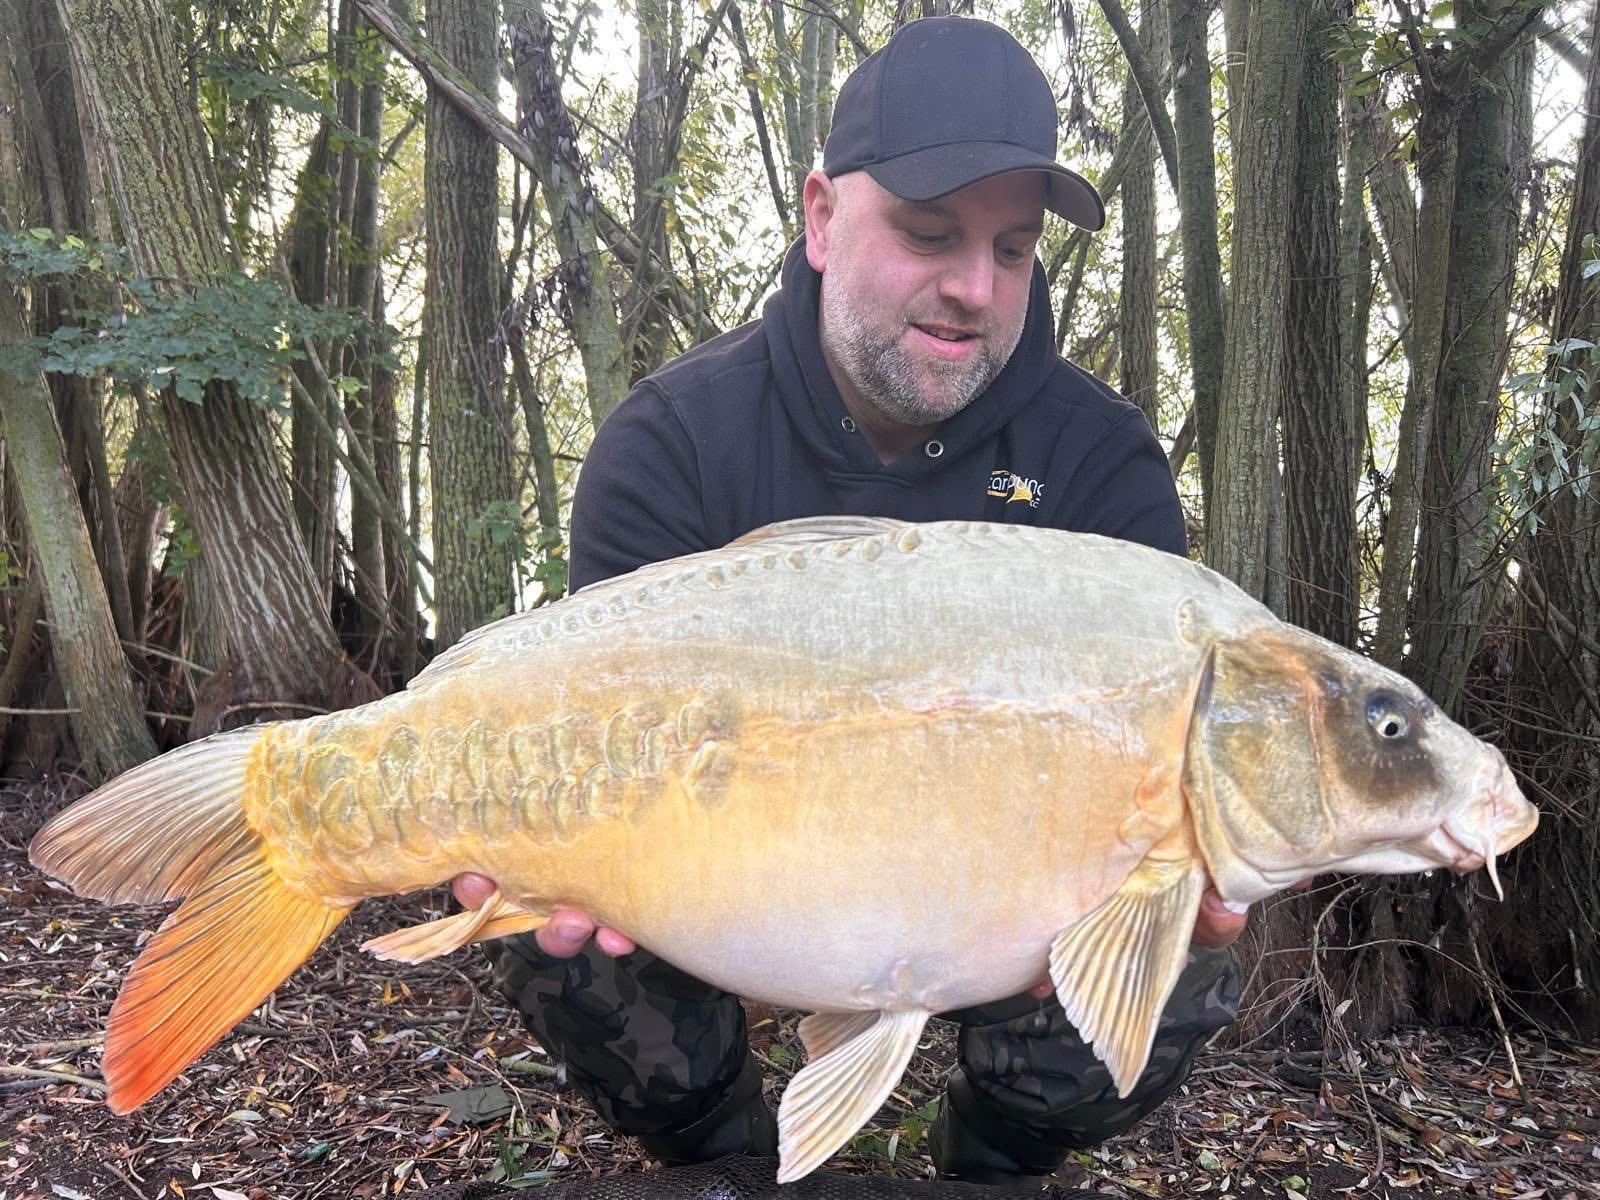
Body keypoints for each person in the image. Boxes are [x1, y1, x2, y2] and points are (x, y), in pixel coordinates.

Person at [454, 15, 1243, 1186]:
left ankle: (992, 1158)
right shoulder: (671, 440)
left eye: (1012, 249)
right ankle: (722, 1153)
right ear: (821, 217)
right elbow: (596, 732)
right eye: (929, 233)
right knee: (555, 926)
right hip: (720, 883)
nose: (973, 288)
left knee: (1178, 931)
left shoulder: (1098, 462)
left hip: (1004, 891)